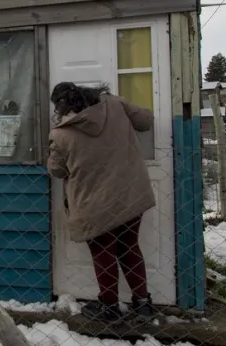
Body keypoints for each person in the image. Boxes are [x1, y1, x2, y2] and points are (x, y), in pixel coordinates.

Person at [46, 82, 157, 322]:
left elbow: (57, 170)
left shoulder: (61, 134)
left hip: (94, 202)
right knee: (129, 246)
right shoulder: (115, 104)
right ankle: (143, 303)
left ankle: (109, 307)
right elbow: (145, 121)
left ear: (60, 106)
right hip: (130, 193)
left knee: (103, 251)